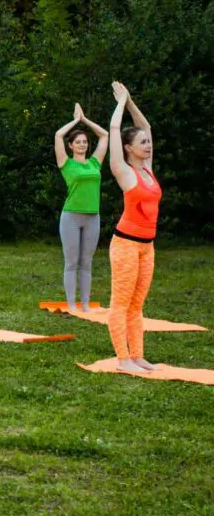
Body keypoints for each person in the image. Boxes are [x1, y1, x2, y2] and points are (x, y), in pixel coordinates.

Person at [107, 81, 161, 373]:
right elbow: (115, 131)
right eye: (142, 143)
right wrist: (118, 105)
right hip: (126, 244)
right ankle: (123, 360)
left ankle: (137, 356)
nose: (148, 145)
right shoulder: (124, 171)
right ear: (128, 148)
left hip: (146, 246)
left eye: (148, 142)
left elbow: (146, 125)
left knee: (137, 304)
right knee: (121, 302)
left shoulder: (148, 170)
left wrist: (129, 101)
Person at [54, 103, 109, 311]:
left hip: (92, 217)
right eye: (78, 142)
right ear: (71, 145)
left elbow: (104, 136)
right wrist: (75, 121)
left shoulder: (95, 163)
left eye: (85, 141)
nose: (82, 144)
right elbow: (58, 135)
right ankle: (71, 304)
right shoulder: (66, 164)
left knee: (87, 262)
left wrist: (85, 120)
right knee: (71, 262)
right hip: (71, 217)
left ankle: (85, 304)